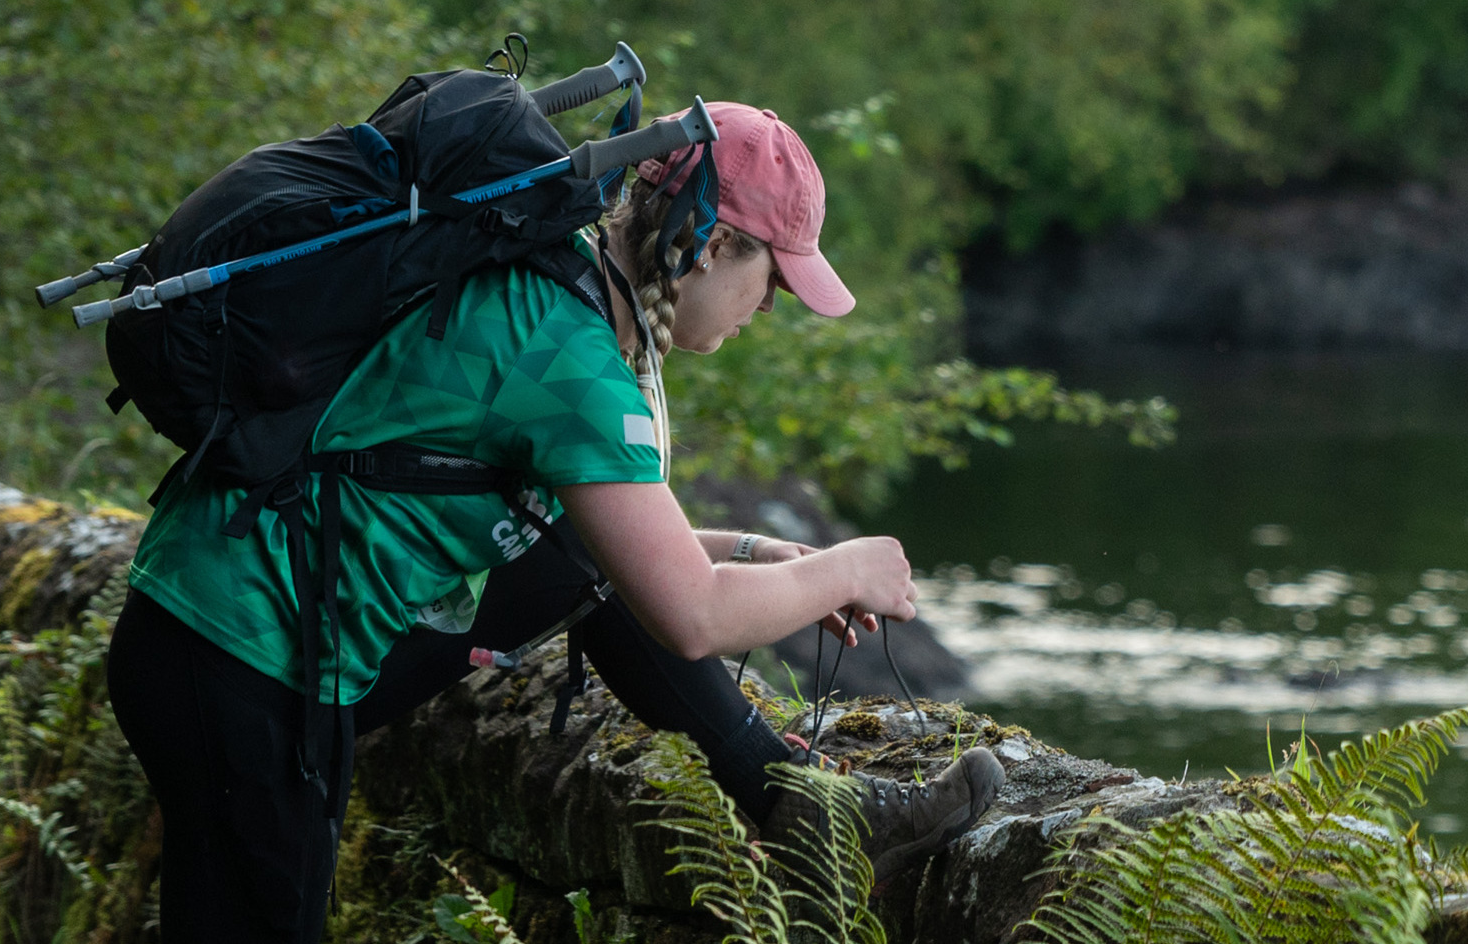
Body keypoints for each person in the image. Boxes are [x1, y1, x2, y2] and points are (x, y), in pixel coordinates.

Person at [106, 102, 1002, 944]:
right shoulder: (571, 363)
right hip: (243, 656)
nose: (769, 309)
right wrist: (847, 569)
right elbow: (691, 616)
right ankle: (800, 807)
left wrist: (758, 553)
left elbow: (594, 554)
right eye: (772, 280)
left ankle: (799, 807)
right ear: (708, 243)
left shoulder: (542, 280)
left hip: (220, 637)